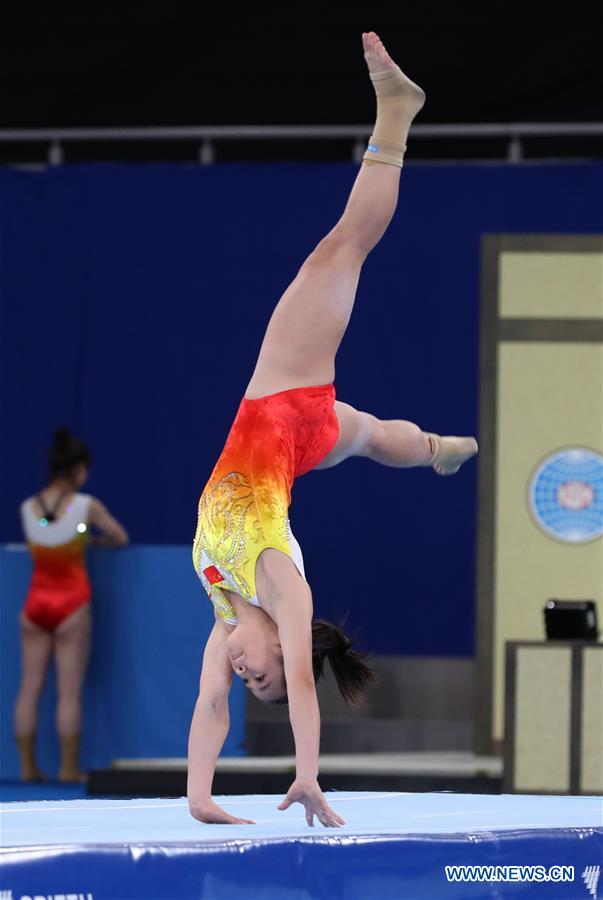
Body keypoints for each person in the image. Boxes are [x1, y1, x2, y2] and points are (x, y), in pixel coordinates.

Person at [188, 32, 478, 827]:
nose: (249, 676)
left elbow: (210, 703)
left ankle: (436, 451)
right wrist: (308, 773)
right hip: (284, 400)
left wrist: (200, 795)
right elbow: (305, 688)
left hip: (298, 437)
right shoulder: (279, 584)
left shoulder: (223, 610)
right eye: (266, 676)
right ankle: (396, 116)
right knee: (340, 249)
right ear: (284, 647)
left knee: (378, 437)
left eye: (254, 682)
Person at [14, 426, 129, 782]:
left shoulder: (28, 507)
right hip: (71, 603)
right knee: (69, 691)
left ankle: (27, 768)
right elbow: (120, 537)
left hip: (35, 603)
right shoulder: (86, 506)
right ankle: (67, 769)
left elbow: (46, 534)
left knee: (30, 687)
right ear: (79, 470)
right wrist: (92, 543)